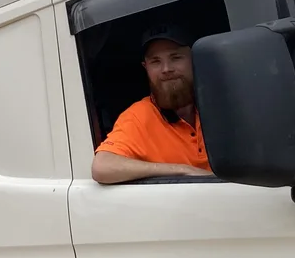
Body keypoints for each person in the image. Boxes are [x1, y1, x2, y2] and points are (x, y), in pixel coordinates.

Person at [91, 23, 213, 183]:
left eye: (175, 57)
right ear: (145, 67)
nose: (166, 69)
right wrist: (184, 171)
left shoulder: (219, 103)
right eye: (156, 61)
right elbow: (102, 167)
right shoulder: (138, 117)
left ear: (194, 59)